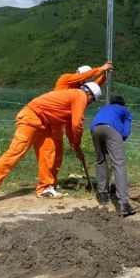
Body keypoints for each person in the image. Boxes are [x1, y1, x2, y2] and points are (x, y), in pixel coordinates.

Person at [0, 82, 101, 206]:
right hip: (31, 118)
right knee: (15, 153)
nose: (89, 104)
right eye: (92, 101)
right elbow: (77, 124)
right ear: (90, 95)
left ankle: (44, 188)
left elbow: (70, 127)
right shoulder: (80, 95)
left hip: (46, 124)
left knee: (47, 155)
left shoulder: (73, 99)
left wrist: (76, 146)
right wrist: (77, 142)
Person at [43, 62, 112, 191]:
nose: (84, 82)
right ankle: (46, 184)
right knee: (50, 152)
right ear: (81, 75)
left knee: (58, 153)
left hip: (64, 118)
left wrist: (105, 74)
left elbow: (94, 86)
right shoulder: (65, 80)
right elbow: (87, 78)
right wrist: (100, 69)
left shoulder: (81, 90)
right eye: (84, 79)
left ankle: (52, 182)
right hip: (51, 119)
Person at [90, 95, 135, 216]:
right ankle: (123, 203)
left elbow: (94, 123)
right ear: (123, 104)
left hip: (95, 129)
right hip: (112, 129)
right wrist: (120, 138)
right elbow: (125, 131)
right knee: (119, 163)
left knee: (101, 160)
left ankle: (102, 195)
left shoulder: (104, 108)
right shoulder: (125, 110)